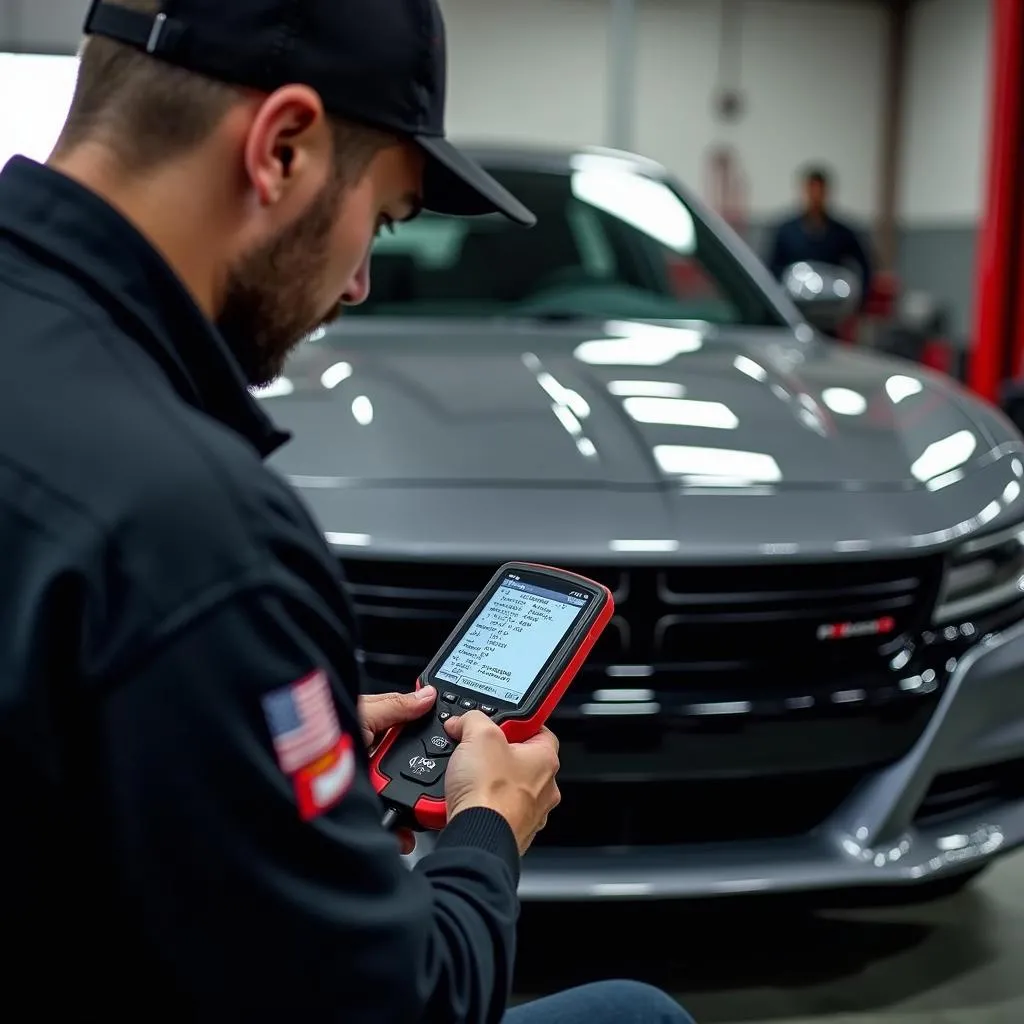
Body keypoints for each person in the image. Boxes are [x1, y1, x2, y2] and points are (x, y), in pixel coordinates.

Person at [0, 1, 694, 1022]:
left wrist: (247, 733)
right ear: (281, 147)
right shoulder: (195, 528)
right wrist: (484, 829)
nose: (361, 280)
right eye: (383, 218)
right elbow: (403, 1005)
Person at [766, 165, 873, 302]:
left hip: (832, 305)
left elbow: (865, 265)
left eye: (819, 191)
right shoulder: (786, 232)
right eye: (812, 191)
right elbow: (772, 268)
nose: (815, 197)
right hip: (795, 303)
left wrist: (859, 301)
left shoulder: (842, 234)